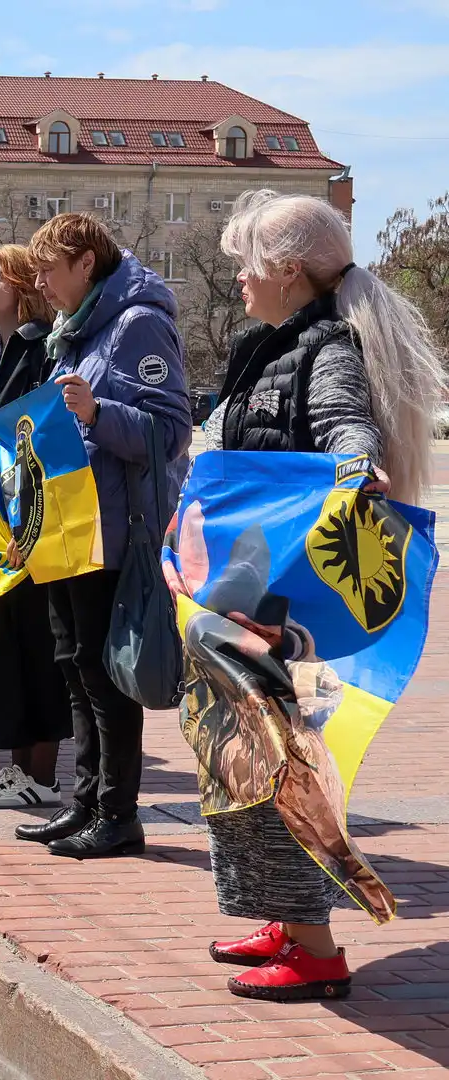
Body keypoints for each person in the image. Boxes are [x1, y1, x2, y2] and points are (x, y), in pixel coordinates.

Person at [192, 190, 443, 1000]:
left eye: (247, 264)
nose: (238, 278)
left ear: (289, 270)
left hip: (288, 610)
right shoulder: (266, 347)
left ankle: (317, 952)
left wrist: (356, 468)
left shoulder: (324, 348)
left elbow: (345, 428)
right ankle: (283, 919)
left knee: (287, 769)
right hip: (249, 598)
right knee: (246, 766)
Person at [14, 213, 190, 859]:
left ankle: (118, 814)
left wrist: (96, 411)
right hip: (68, 526)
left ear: (86, 262)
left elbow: (169, 431)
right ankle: (85, 802)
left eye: (47, 270)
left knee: (104, 675)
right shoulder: (77, 329)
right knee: (75, 668)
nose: (39, 284)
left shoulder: (137, 322)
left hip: (112, 531)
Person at [0, 246, 74, 807]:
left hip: (32, 515)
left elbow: (41, 426)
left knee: (36, 645)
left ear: (24, 285)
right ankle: (17, 770)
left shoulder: (40, 347)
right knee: (1, 646)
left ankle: (42, 777)